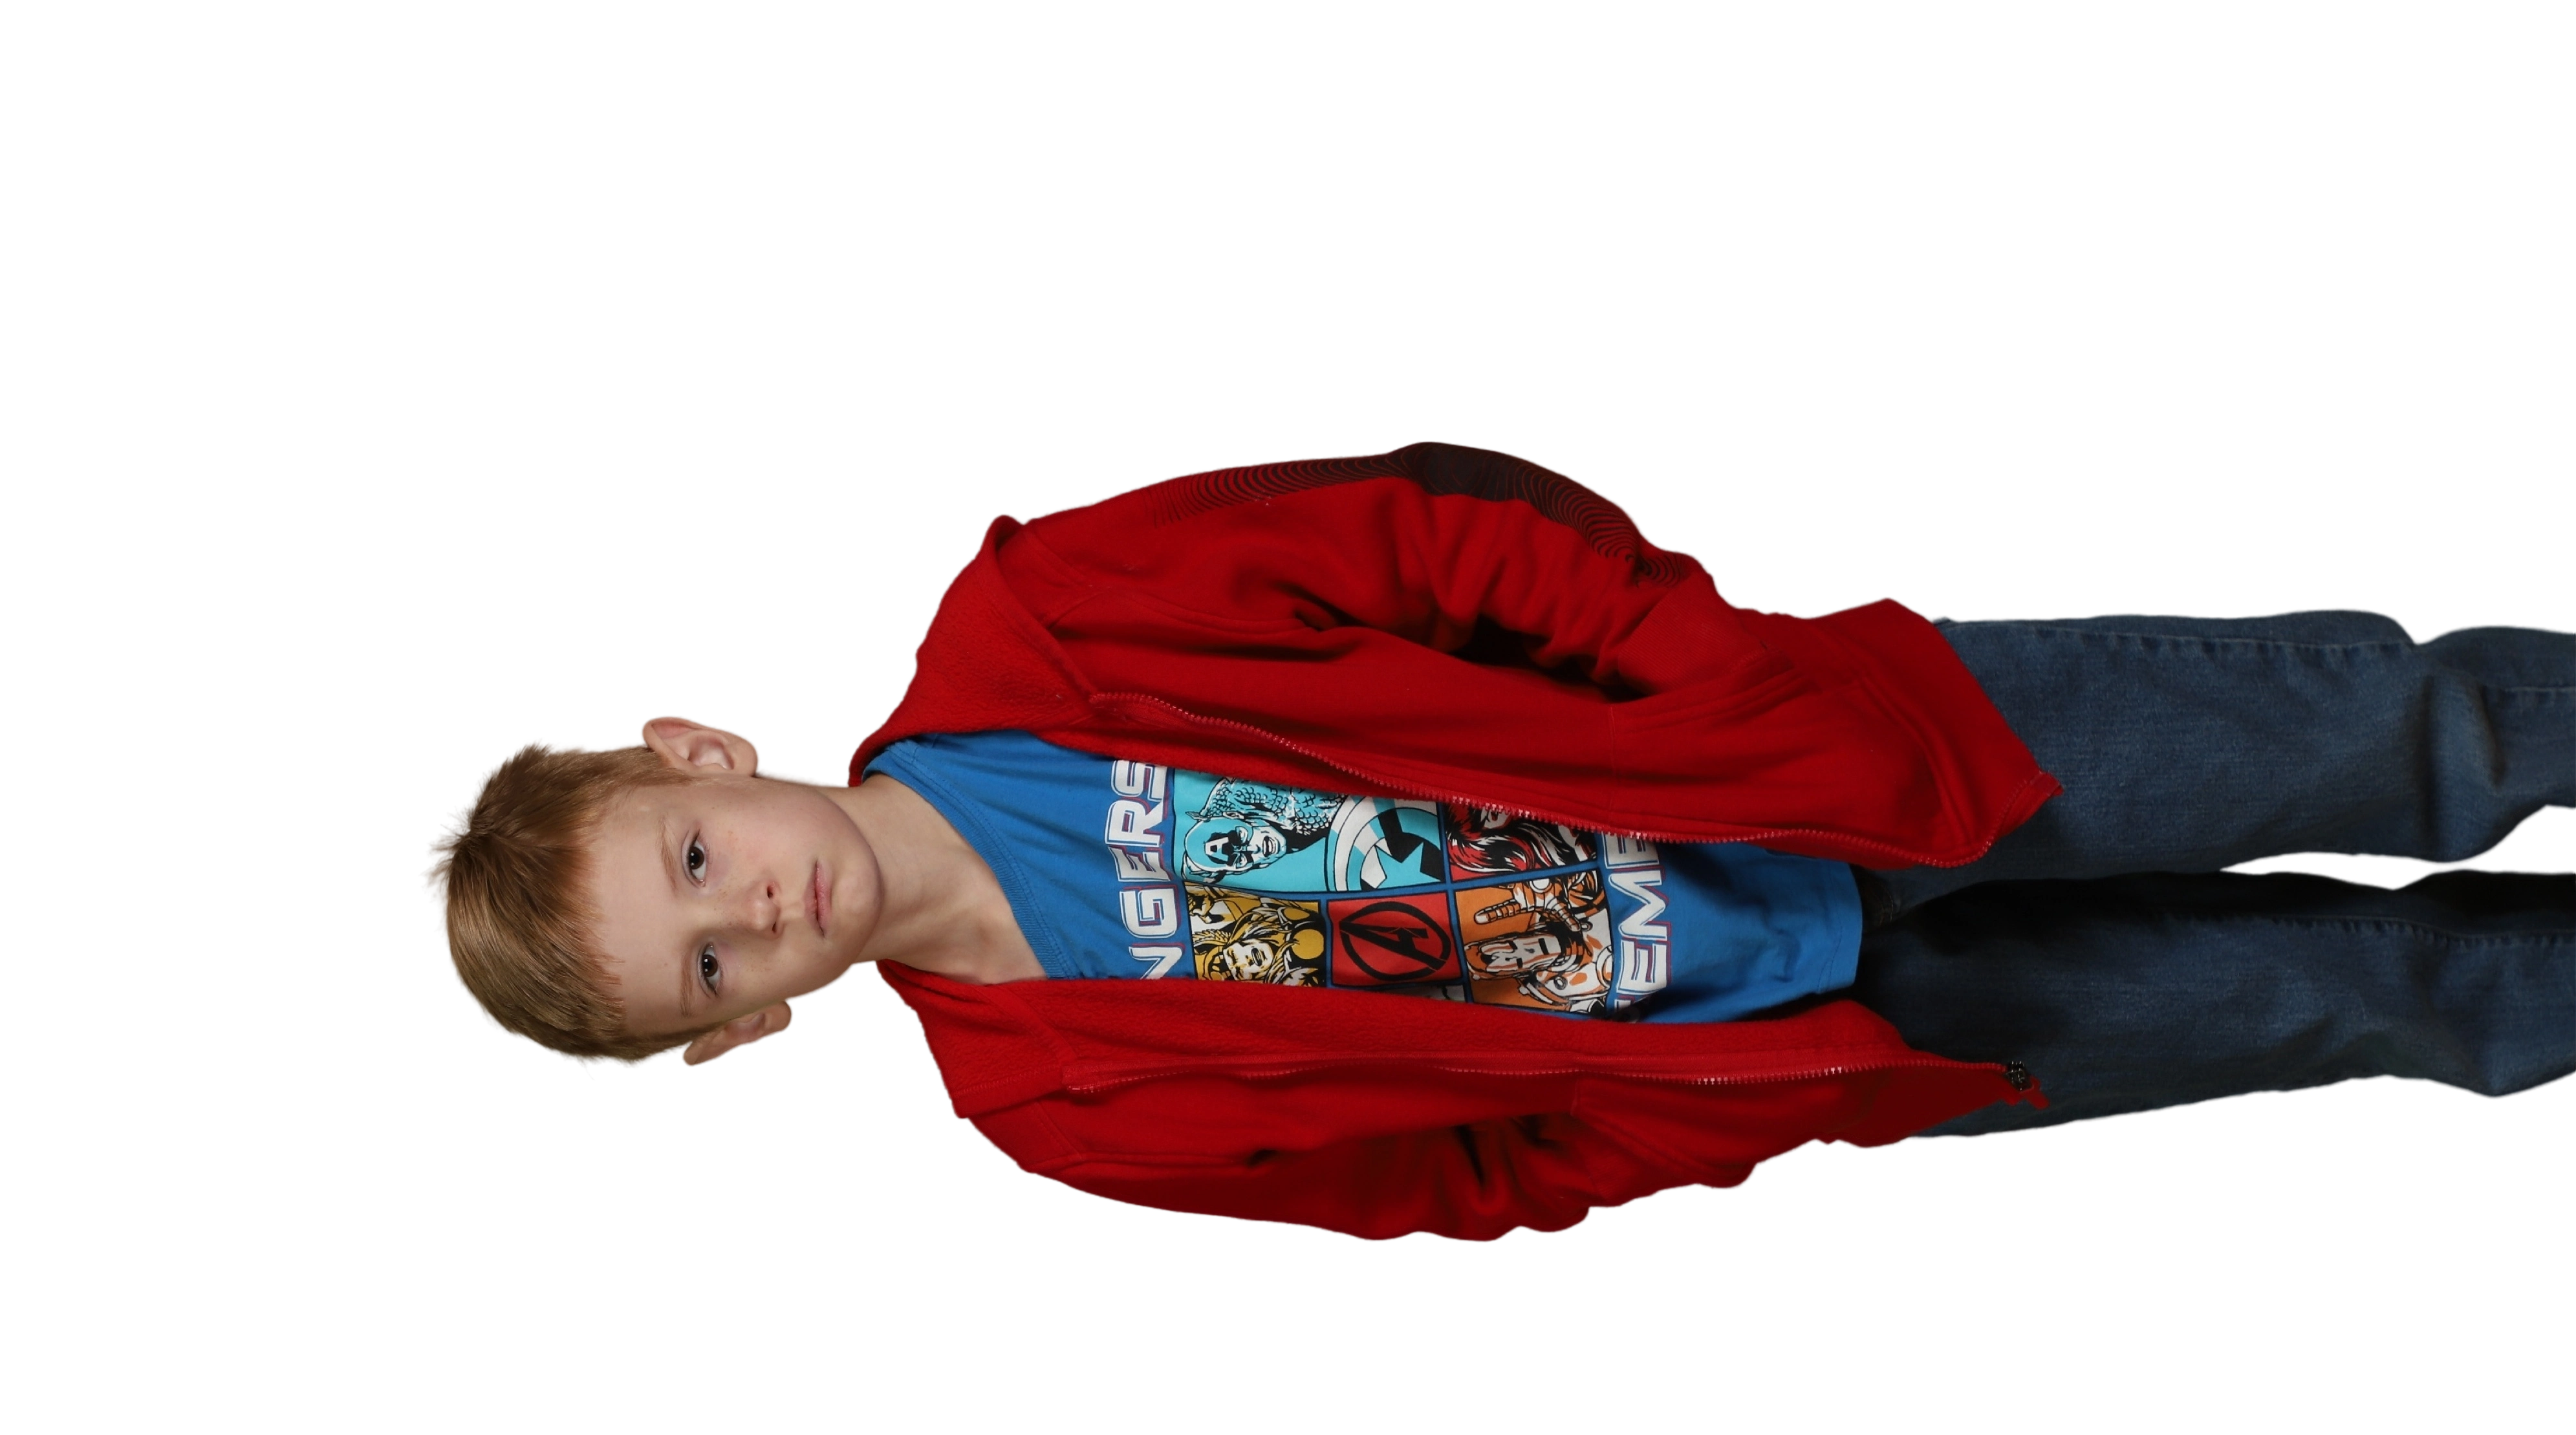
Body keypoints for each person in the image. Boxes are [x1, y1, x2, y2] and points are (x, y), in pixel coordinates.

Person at [417, 440, 2576, 1246]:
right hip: (1854, 1029)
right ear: (740, 1037)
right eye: (711, 966)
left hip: (1859, 757)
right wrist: (1681, 1133)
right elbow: (1437, 1182)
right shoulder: (1057, 1108)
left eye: (690, 859)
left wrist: (1705, 681)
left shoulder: (1041, 620)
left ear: (699, 752)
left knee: (2388, 736)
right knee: (2354, 999)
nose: (756, 907)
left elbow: (1430, 527)